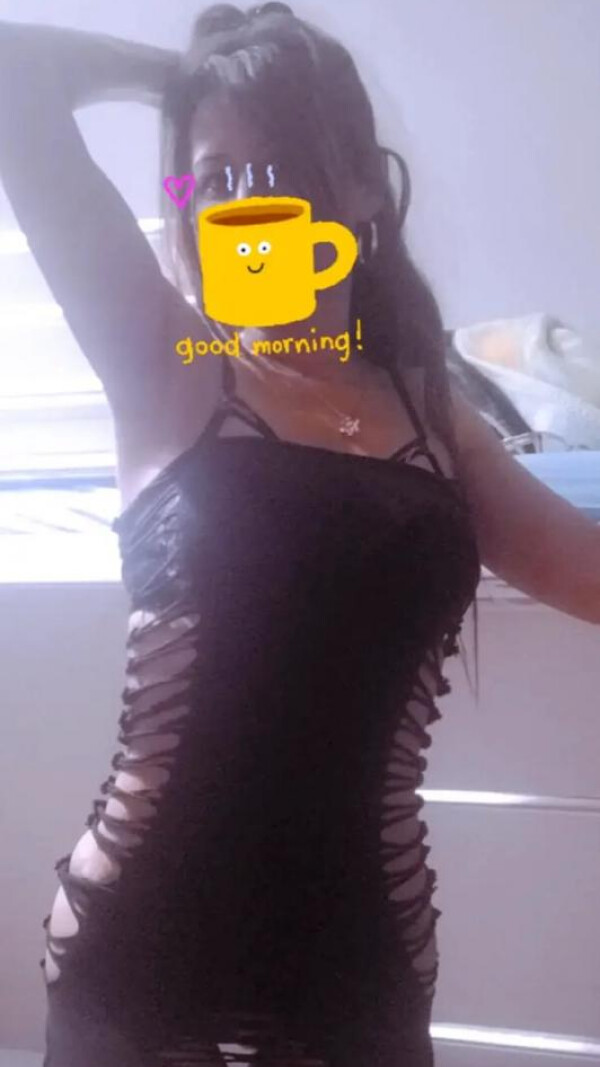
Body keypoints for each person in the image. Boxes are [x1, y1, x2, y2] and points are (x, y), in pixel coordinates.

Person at [1, 5, 598, 1066]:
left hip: (356, 954)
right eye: (213, 177)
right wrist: (189, 77)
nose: (242, 200)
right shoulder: (169, 357)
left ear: (361, 188)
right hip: (146, 954)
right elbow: (12, 68)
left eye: (276, 165)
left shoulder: (434, 412)